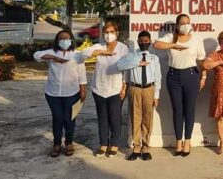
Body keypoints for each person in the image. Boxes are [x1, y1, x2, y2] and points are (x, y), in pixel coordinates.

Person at [153, 14, 206, 157]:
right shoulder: (171, 37)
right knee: (177, 110)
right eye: (182, 23)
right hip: (173, 77)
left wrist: (204, 76)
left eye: (188, 23)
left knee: (189, 110)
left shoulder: (196, 38)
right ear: (177, 25)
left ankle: (187, 142)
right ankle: (178, 141)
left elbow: (201, 60)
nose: (185, 25)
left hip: (191, 76)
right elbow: (156, 44)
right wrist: (173, 45)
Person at [34, 29, 87, 157]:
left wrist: (83, 90)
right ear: (57, 41)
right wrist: (53, 58)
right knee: (57, 118)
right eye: (61, 39)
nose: (64, 41)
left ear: (71, 40)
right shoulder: (52, 52)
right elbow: (36, 55)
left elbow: (82, 74)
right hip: (53, 93)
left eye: (67, 38)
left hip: (72, 92)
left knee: (69, 119)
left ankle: (69, 142)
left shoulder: (76, 54)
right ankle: (56, 143)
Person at [81, 21, 129, 158]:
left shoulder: (123, 48)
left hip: (116, 89)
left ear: (117, 33)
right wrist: (103, 52)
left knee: (115, 118)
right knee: (102, 118)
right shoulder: (98, 46)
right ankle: (103, 144)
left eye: (112, 32)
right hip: (99, 89)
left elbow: (126, 68)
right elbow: (84, 54)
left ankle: (114, 145)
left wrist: (125, 87)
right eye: (106, 32)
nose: (109, 35)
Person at [117, 30, 162, 161]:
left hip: (149, 89)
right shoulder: (131, 56)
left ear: (150, 42)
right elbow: (120, 66)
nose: (144, 43)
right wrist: (137, 63)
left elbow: (158, 76)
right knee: (135, 119)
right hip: (135, 88)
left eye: (146, 41)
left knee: (147, 119)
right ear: (138, 42)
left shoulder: (154, 58)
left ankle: (146, 148)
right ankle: (136, 147)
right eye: (141, 41)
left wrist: (156, 95)